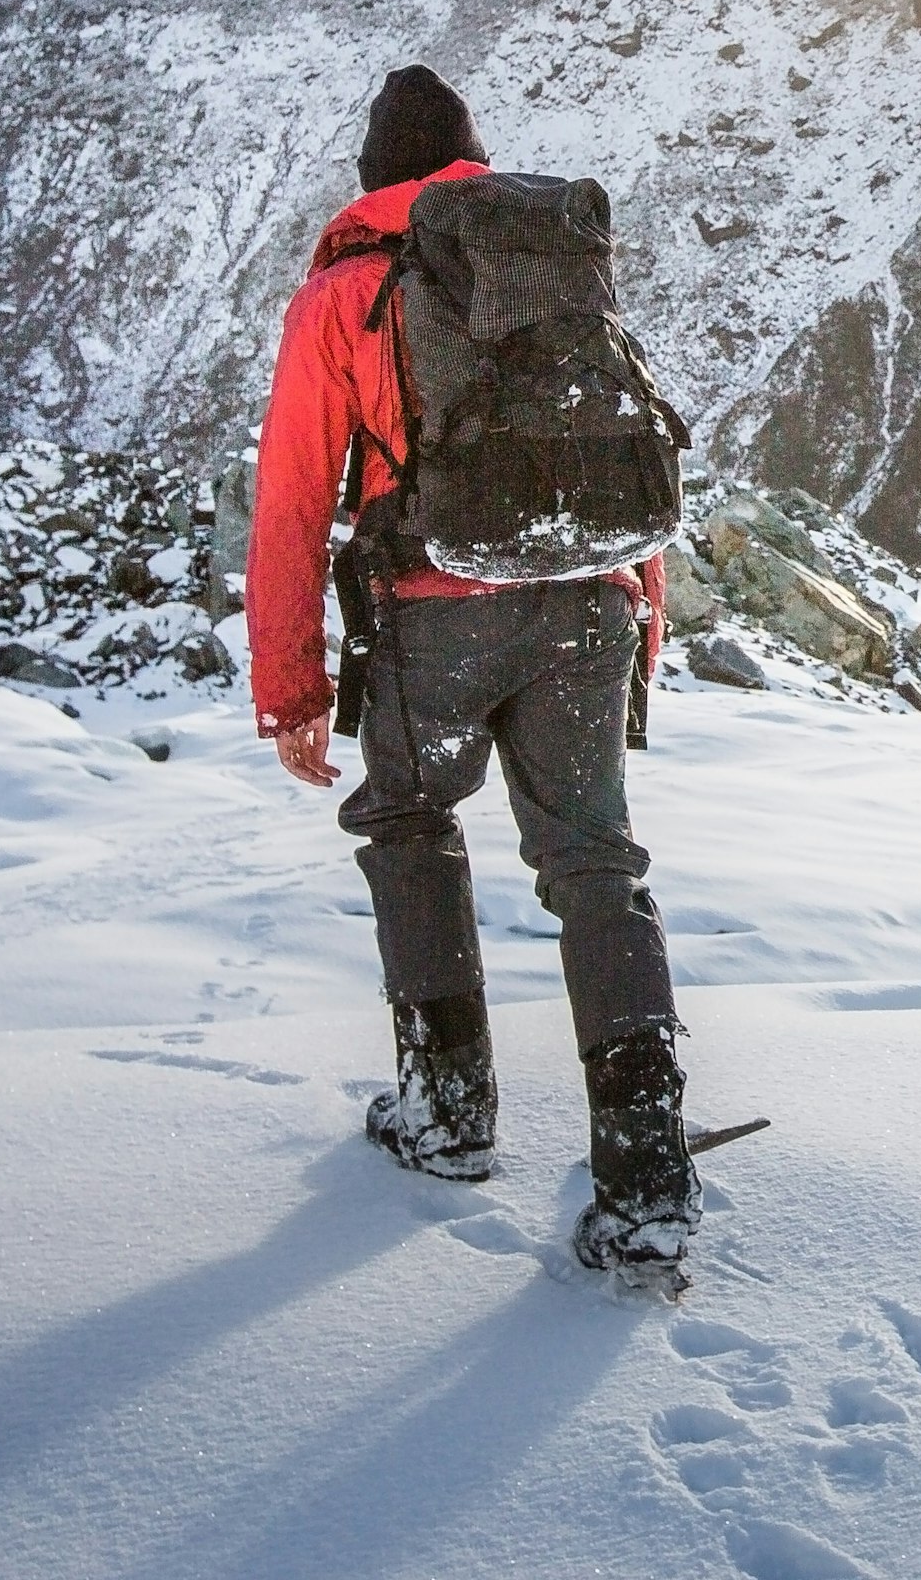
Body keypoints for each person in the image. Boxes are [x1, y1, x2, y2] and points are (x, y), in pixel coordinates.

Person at [248, 63, 697, 1273]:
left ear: (372, 179)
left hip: (435, 618)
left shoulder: (348, 288)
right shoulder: (553, 268)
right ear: (470, 161)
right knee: (595, 861)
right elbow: (604, 447)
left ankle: (448, 1111)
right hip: (588, 604)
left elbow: (291, 502)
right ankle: (648, 1167)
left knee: (407, 815)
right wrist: (641, 626)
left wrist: (287, 691)